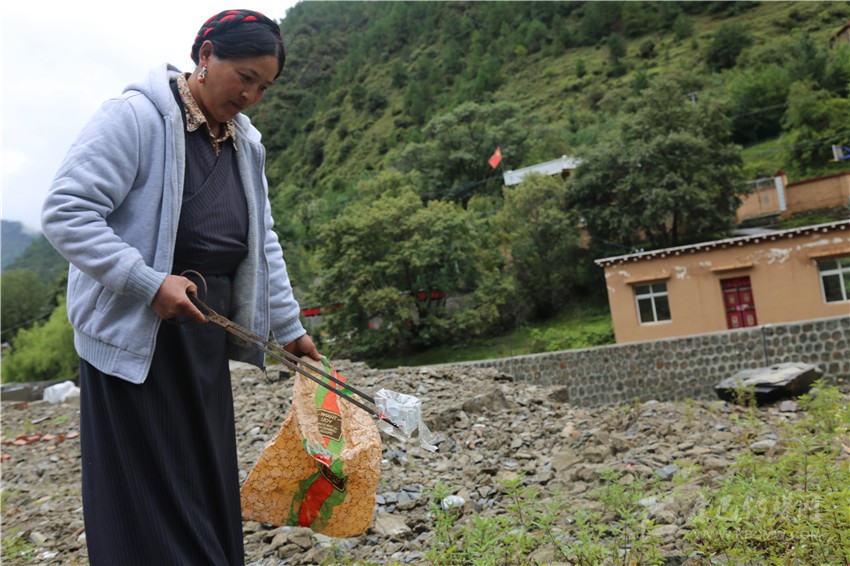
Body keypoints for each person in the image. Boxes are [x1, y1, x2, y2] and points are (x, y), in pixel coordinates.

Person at [41, 9, 320, 565]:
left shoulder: (245, 143)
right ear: (206, 54)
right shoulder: (135, 118)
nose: (251, 97)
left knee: (203, 475)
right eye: (245, 77)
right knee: (149, 488)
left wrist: (288, 328)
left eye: (264, 87)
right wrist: (147, 283)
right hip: (136, 332)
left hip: (203, 332)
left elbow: (261, 240)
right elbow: (65, 211)